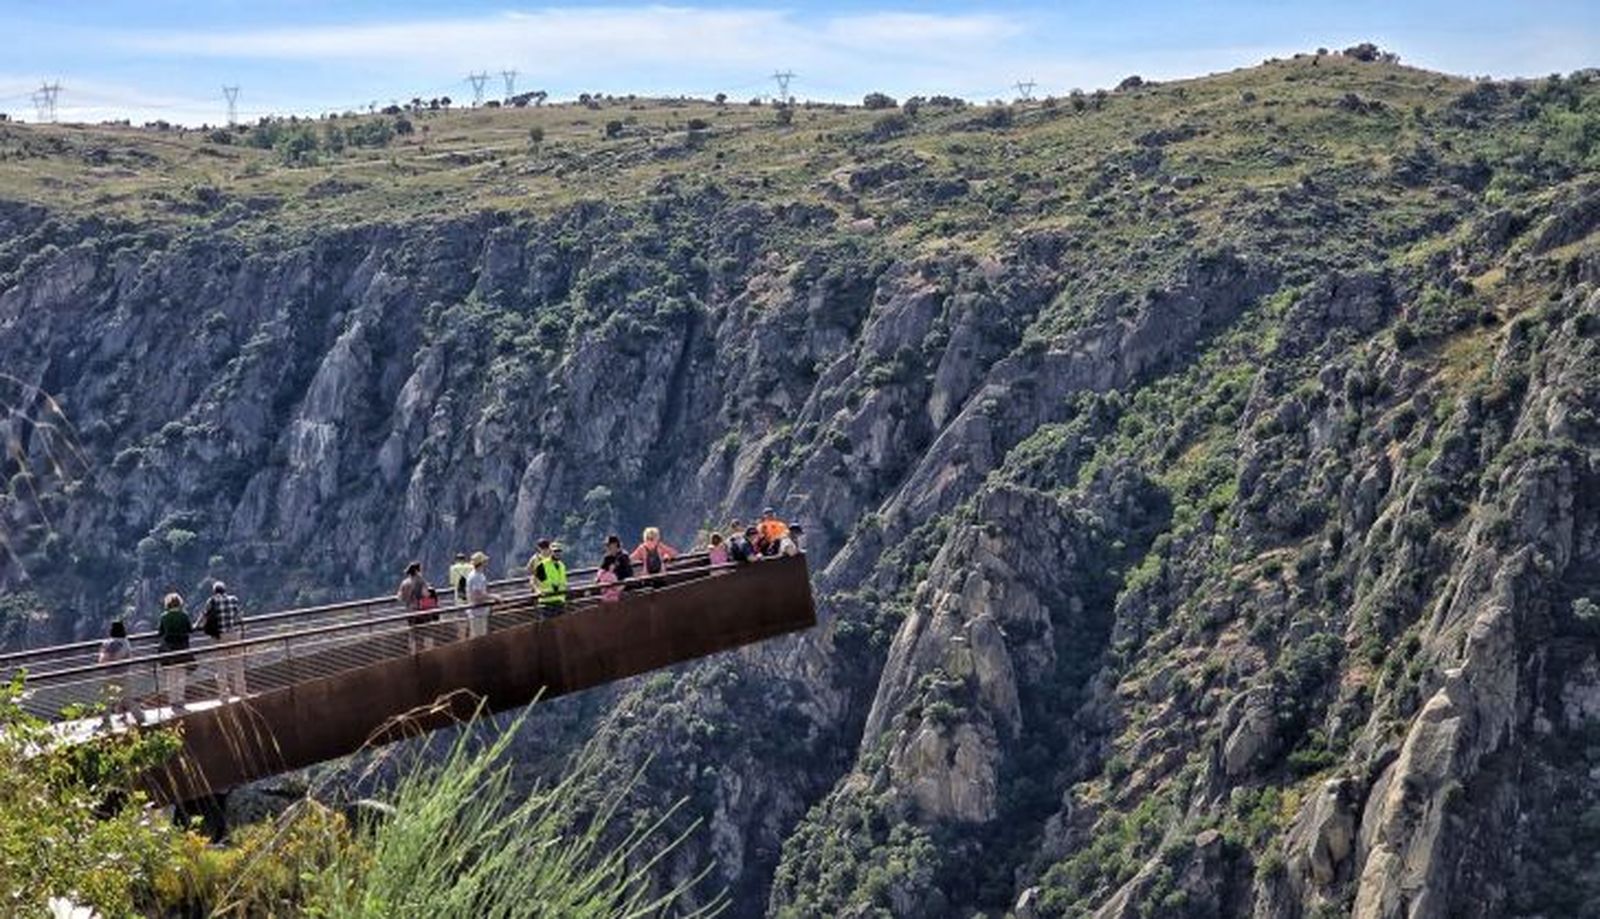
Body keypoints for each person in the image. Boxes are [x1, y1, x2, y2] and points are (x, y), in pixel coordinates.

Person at [200, 581, 248, 700]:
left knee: (221, 666)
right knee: (238, 664)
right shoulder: (233, 599)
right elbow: (239, 616)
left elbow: (204, 615)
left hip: (219, 637)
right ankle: (242, 692)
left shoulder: (212, 601)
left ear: (214, 591)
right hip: (233, 635)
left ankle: (224, 694)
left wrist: (196, 625)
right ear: (224, 589)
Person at [97, 620, 140, 728]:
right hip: (124, 673)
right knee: (127, 698)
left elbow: (102, 661)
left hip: (110, 674)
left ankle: (106, 719)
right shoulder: (126, 642)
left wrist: (105, 655)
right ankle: (139, 717)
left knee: (107, 698)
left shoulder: (108, 643)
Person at [156, 592, 194, 713]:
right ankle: (180, 700)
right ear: (179, 603)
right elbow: (190, 629)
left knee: (171, 676)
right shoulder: (184, 615)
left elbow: (160, 633)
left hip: (169, 650)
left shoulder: (164, 616)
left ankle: (173, 701)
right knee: (181, 676)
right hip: (183, 649)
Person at [398, 561, 437, 653]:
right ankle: (426, 655)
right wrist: (430, 592)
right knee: (425, 634)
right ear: (417, 571)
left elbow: (400, 597)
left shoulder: (404, 583)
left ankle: (415, 654)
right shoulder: (420, 580)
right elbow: (425, 594)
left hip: (410, 613)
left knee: (414, 635)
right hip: (421, 612)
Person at [529, 539, 569, 616]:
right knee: (547, 626)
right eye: (555, 551)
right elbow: (533, 580)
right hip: (547, 601)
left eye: (559, 552)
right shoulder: (543, 565)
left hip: (559, 600)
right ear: (551, 552)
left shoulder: (562, 566)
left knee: (560, 624)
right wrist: (538, 591)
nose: (557, 554)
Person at [464, 551, 498, 638]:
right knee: (479, 638)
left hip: (478, 612)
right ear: (481, 563)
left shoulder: (475, 575)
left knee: (478, 636)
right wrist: (493, 597)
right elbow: (477, 595)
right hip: (478, 613)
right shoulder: (477, 577)